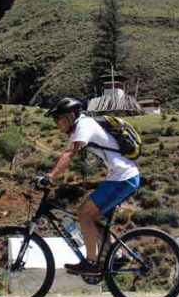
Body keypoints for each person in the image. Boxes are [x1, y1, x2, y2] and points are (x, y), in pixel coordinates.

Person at [38, 97, 141, 276]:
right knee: (90, 217)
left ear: (70, 116)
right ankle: (119, 254)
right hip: (118, 177)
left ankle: (91, 262)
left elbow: (70, 152)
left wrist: (50, 177)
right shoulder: (84, 127)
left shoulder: (85, 125)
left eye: (58, 119)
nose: (56, 124)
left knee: (84, 213)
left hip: (124, 178)